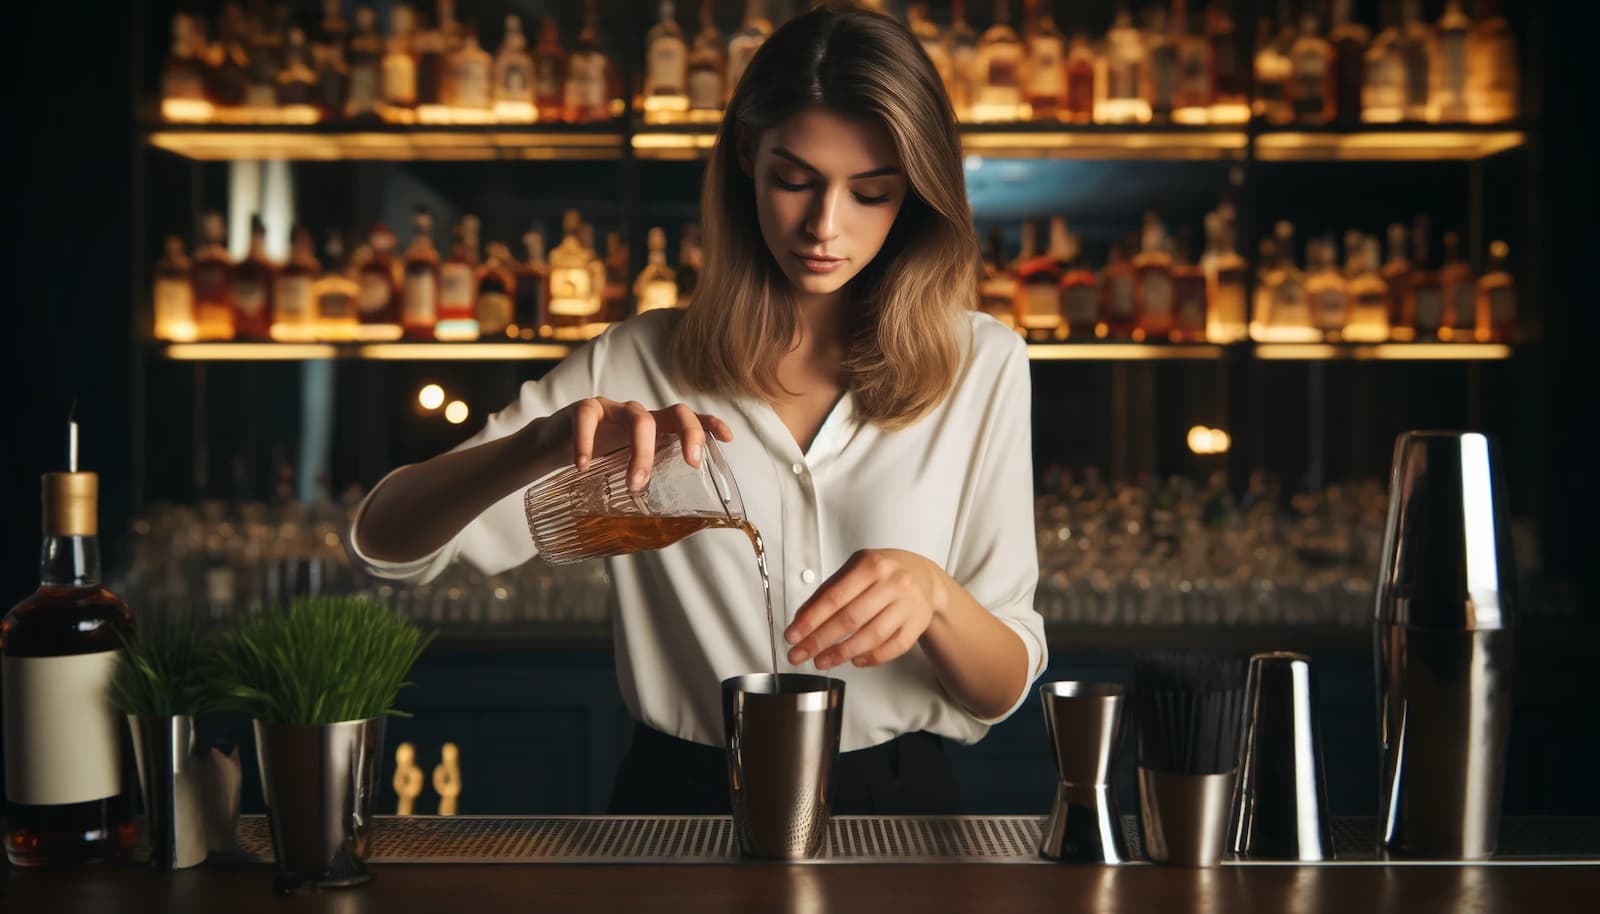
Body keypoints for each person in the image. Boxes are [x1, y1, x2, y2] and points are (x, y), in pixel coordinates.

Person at [348, 2, 1045, 815]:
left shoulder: (983, 362)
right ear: (747, 154)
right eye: (794, 179)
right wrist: (540, 445)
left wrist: (934, 594)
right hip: (684, 800)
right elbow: (385, 551)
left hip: (902, 804)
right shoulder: (636, 360)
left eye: (871, 193)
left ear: (916, 196)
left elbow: (1000, 689)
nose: (825, 225)